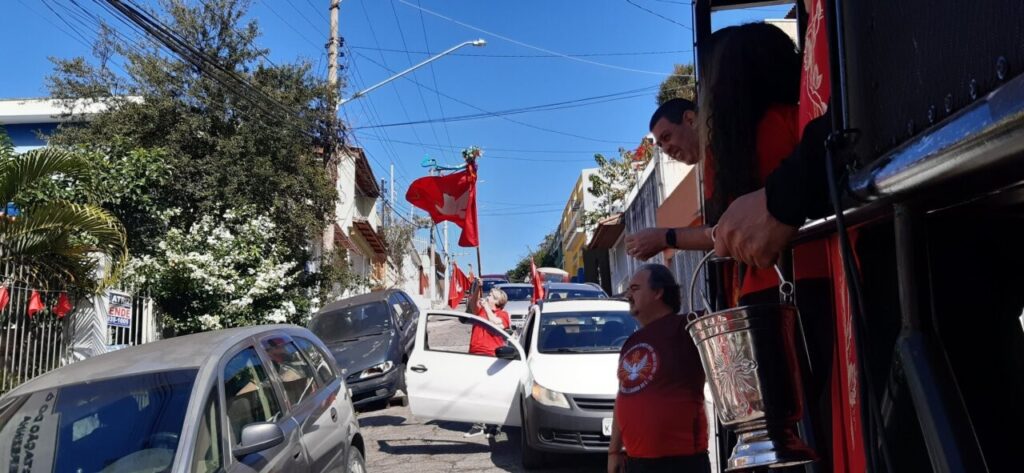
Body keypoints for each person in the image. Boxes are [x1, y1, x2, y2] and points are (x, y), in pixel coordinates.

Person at [608, 264, 708, 473]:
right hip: (636, 462)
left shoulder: (687, 326)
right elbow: (623, 395)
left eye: (634, 289)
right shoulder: (631, 341)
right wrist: (614, 451)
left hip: (681, 462)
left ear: (658, 292)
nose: (628, 295)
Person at [465, 287, 511, 438]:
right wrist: (477, 288)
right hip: (475, 354)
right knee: (476, 392)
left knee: (492, 392)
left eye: (491, 295)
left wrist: (486, 306)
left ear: (498, 301)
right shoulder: (481, 311)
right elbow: (471, 305)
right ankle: (478, 424)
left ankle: (494, 425)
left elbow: (497, 324)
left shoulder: (503, 314)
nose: (488, 296)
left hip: (492, 356)